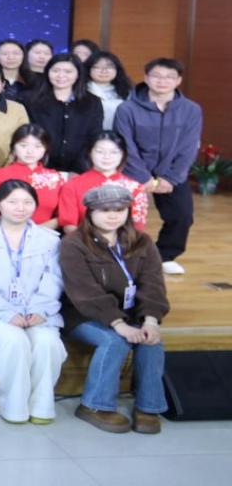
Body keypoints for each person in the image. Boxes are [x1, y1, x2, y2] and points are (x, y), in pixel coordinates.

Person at [60, 184, 169, 435]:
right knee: (114, 341)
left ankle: (149, 407)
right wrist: (118, 324)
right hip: (82, 314)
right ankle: (94, 405)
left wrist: (151, 321)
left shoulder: (142, 241)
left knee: (151, 341)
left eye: (119, 210)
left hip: (130, 314)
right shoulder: (73, 243)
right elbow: (85, 292)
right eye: (105, 210)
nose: (113, 215)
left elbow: (153, 284)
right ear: (90, 212)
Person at [0, 180, 66, 424]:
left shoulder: (50, 240)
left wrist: (40, 310)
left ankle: (41, 406)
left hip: (37, 312)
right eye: (13, 201)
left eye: (28, 202)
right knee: (15, 341)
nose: (20, 207)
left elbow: (54, 280)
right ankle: (13, 405)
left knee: (48, 343)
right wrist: (6, 313)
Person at [114, 58, 202, 275]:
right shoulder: (127, 108)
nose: (162, 81)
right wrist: (142, 177)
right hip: (134, 171)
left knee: (182, 216)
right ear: (146, 78)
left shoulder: (191, 110)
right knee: (121, 216)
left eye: (169, 77)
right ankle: (124, 256)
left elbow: (189, 146)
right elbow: (125, 144)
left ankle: (165, 256)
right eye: (157, 76)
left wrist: (171, 178)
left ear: (178, 80)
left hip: (171, 172)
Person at [59, 132, 149, 234]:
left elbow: (137, 227)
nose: (107, 157)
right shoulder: (72, 185)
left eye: (114, 152)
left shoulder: (135, 188)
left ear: (123, 154)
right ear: (89, 152)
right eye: (100, 151)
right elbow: (69, 225)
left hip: (124, 242)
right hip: (82, 241)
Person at [26, 54, 104, 173]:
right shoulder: (32, 101)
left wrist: (80, 168)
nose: (61, 75)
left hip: (80, 170)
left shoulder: (92, 102)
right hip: (39, 167)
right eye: (56, 71)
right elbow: (28, 135)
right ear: (47, 72)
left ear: (78, 74)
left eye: (68, 71)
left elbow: (94, 136)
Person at [0, 124, 67, 230]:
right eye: (23, 145)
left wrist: (36, 232)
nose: (30, 151)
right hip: (6, 234)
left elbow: (63, 215)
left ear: (45, 149)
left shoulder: (55, 177)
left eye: (38, 146)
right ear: (13, 147)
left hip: (46, 234)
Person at [83, 51, 132, 131]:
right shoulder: (81, 91)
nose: (104, 71)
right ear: (88, 69)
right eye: (97, 67)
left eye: (109, 67)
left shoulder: (127, 91)